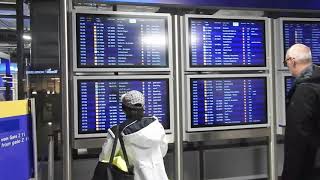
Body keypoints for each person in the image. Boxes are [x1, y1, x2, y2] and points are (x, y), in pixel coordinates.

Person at [99, 90, 169, 180]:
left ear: (124, 109)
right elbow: (163, 150)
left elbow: (105, 158)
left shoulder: (117, 132)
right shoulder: (156, 124)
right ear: (143, 107)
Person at [282, 43, 320, 180]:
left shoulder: (303, 91)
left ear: (292, 61)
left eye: (286, 62)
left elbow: (298, 140)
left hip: (308, 167)